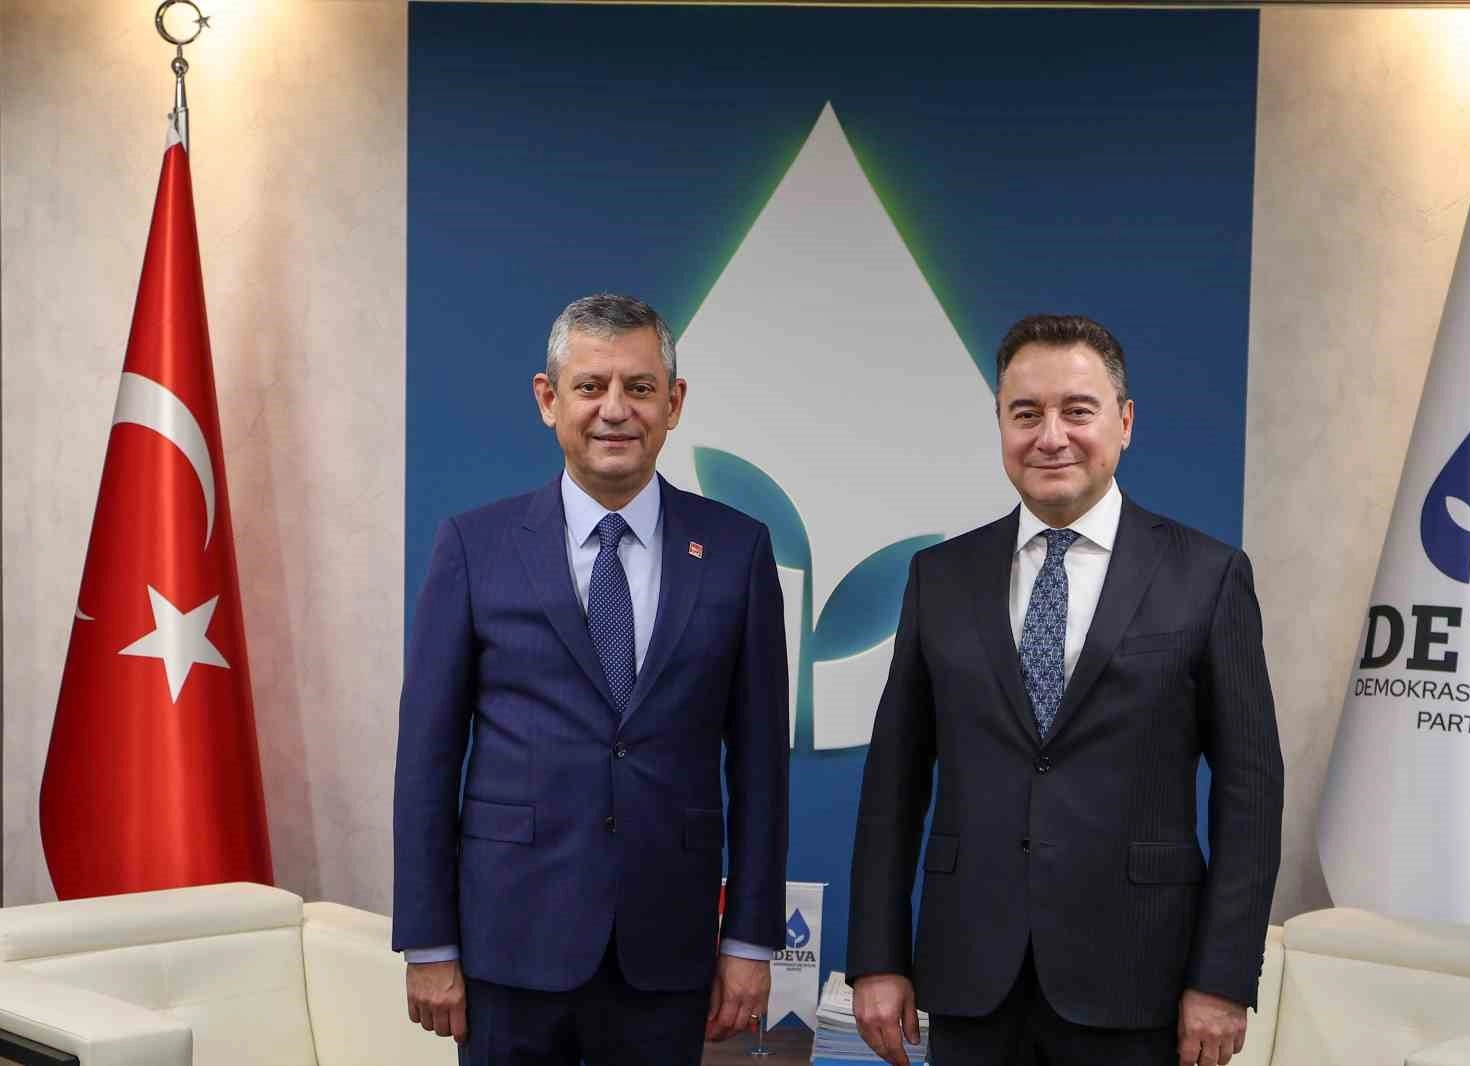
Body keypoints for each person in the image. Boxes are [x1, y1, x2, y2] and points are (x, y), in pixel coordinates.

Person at [847, 314, 1283, 1066]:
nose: (1051, 437)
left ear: (1125, 422)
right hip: (971, 977)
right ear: (1000, 424)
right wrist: (877, 958)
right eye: (1026, 413)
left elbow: (1251, 792)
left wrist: (1221, 978)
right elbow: (895, 781)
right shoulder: (940, 577)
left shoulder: (1208, 577)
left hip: (1139, 980)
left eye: (1077, 410)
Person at [392, 293, 790, 1065]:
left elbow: (761, 766)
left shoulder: (737, 552)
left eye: (639, 388)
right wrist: (428, 943)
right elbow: (427, 760)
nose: (615, 410)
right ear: (549, 400)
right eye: (590, 386)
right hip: (507, 948)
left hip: (666, 952)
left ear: (673, 404)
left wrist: (748, 940)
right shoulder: (474, 546)